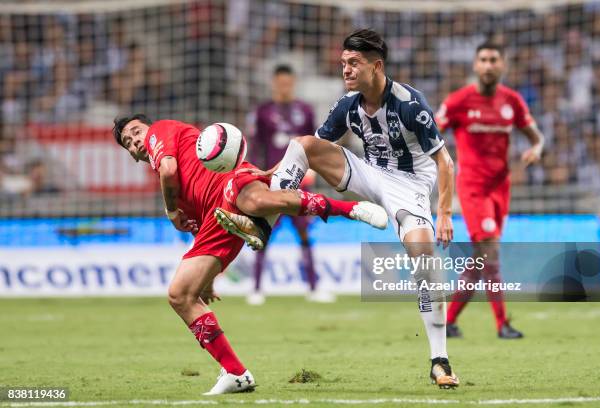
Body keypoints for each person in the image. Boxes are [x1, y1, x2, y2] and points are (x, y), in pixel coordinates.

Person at [218, 29, 459, 388]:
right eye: (343, 63)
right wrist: (272, 173)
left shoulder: (410, 103)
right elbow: (312, 147)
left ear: (376, 66)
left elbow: (445, 163)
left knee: (424, 258)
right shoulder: (348, 104)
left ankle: (439, 360)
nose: (345, 70)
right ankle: (262, 220)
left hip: (409, 185)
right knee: (302, 144)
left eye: (354, 63)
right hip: (369, 172)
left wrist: (444, 214)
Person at [112, 113, 387, 395]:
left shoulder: (162, 131)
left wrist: (170, 213)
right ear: (132, 156)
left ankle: (349, 209)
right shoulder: (179, 193)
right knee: (180, 294)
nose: (135, 140)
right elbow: (198, 235)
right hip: (217, 219)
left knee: (256, 201)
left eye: (137, 131)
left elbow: (169, 169)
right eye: (129, 142)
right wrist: (207, 282)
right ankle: (235, 373)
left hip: (228, 180)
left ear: (150, 128)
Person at [435, 41, 545, 339]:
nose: (488, 65)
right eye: (483, 59)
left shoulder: (512, 100)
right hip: (472, 187)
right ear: (475, 65)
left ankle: (448, 320)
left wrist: (536, 148)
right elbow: (431, 133)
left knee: (482, 255)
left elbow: (537, 137)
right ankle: (502, 324)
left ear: (502, 64)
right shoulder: (459, 101)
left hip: (501, 187)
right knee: (491, 249)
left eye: (494, 59)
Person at [248, 64, 333, 305]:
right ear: (274, 83)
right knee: (263, 233)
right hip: (272, 184)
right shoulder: (263, 111)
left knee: (304, 231)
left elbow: (312, 145)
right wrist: (257, 179)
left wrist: (314, 170)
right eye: (280, 83)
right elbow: (257, 146)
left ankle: (313, 287)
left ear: (293, 83)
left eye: (288, 83)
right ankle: (255, 288)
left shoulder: (304, 110)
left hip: (299, 183)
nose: (284, 87)